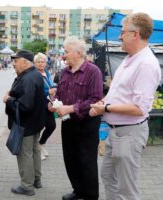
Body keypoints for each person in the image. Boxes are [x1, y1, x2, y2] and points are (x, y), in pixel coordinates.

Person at [90, 12, 161, 200]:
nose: (120, 36)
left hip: (129, 133)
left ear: (135, 34)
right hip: (117, 131)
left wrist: (105, 108)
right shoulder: (130, 59)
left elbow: (140, 108)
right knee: (107, 176)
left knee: (126, 188)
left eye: (123, 32)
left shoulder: (146, 64)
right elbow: (117, 93)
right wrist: (103, 102)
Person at [48, 36, 103, 200]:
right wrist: (53, 103)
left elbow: (95, 100)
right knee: (70, 160)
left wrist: (70, 108)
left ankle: (91, 196)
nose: (63, 55)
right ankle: (78, 190)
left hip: (87, 124)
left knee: (87, 162)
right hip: (68, 124)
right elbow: (59, 93)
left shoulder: (93, 71)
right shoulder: (64, 71)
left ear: (78, 53)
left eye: (66, 51)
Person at [3, 50, 46, 196]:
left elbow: (25, 106)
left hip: (26, 124)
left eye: (16, 61)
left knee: (25, 154)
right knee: (34, 151)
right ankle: (36, 180)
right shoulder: (34, 74)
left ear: (25, 62)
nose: (14, 64)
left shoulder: (28, 78)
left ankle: (27, 186)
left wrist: (8, 100)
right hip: (35, 123)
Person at [34, 52, 56, 160]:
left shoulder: (47, 72)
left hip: (48, 103)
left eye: (42, 61)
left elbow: (51, 85)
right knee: (38, 127)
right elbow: (35, 91)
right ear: (34, 63)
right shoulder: (34, 74)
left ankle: (41, 144)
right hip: (39, 104)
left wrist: (55, 89)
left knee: (51, 126)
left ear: (45, 63)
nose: (40, 64)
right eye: (38, 62)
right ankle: (36, 151)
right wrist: (48, 92)